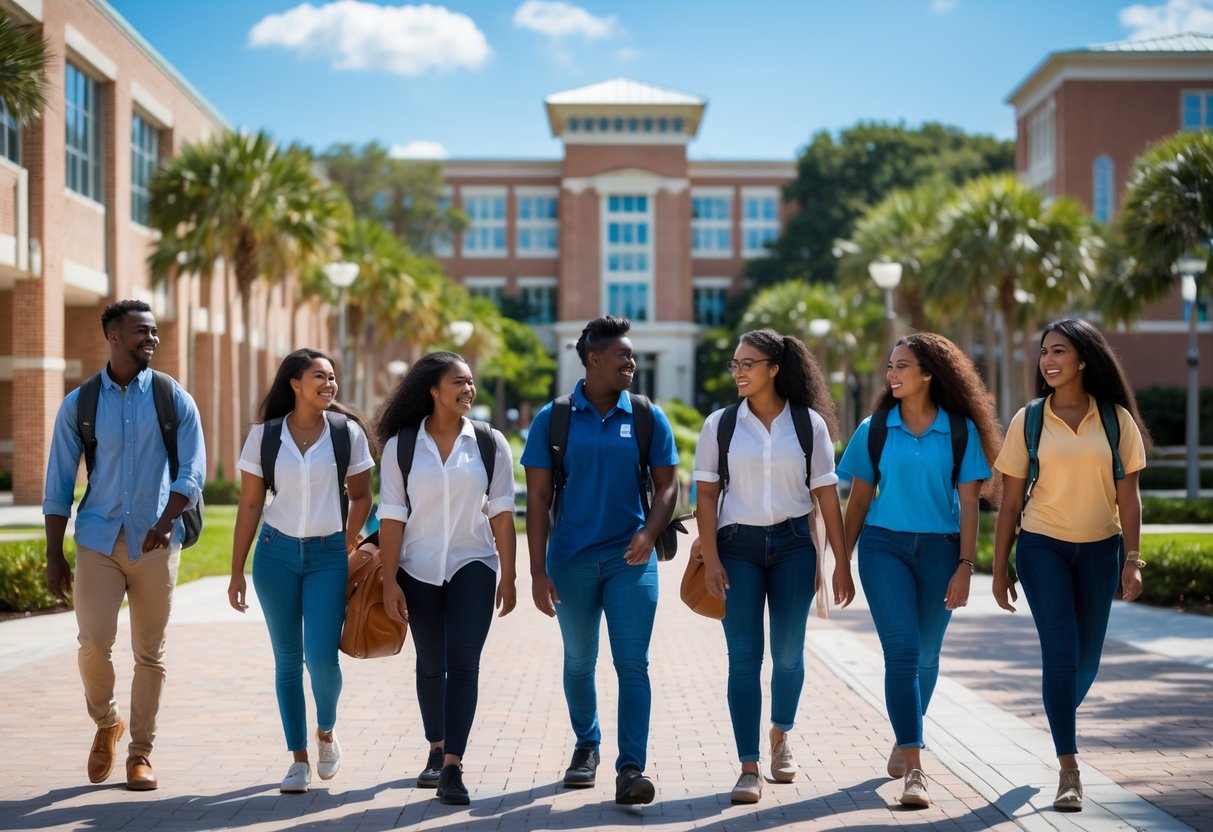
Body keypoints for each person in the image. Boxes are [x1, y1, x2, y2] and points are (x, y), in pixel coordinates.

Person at [43, 299, 206, 791]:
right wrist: (54, 553)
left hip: (158, 543)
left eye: (153, 331)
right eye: (140, 332)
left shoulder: (172, 397)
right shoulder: (80, 403)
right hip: (98, 540)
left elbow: (192, 470)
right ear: (113, 336)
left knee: (149, 654)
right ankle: (105, 722)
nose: (150, 339)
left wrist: (167, 519)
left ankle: (140, 752)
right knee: (93, 642)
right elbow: (58, 482)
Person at [992, 319, 1149, 813]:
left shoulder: (1116, 420)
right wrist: (998, 569)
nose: (1047, 360)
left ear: (1084, 359)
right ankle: (1069, 768)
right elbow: (1011, 502)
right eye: (1043, 352)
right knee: (1061, 653)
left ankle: (1058, 708)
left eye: (1058, 351)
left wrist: (1132, 558)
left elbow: (1131, 497)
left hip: (1101, 550)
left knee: (1086, 661)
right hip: (1043, 548)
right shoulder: (1029, 419)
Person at [837, 333, 1000, 808]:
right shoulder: (875, 427)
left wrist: (966, 566)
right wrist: (842, 562)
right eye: (890, 366)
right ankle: (916, 766)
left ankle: (905, 735)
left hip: (941, 551)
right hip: (883, 547)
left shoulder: (960, 430)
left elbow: (970, 505)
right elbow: (860, 498)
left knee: (927, 655)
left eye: (901, 366)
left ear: (929, 373)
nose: (891, 374)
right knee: (904, 651)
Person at [522, 316, 679, 806]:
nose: (630, 362)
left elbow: (669, 484)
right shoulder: (555, 417)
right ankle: (586, 746)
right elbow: (538, 497)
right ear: (593, 360)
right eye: (622, 356)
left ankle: (631, 767)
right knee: (579, 662)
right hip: (569, 560)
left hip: (630, 559)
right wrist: (536, 570)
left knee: (633, 663)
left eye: (632, 356)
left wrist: (649, 533)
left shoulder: (648, 415)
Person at [692, 328, 853, 804]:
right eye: (735, 364)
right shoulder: (719, 425)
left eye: (748, 363)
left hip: (793, 547)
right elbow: (703, 494)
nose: (738, 372)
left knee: (788, 654)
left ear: (774, 369)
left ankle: (780, 735)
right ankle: (748, 766)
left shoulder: (808, 425)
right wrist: (712, 557)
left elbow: (826, 495)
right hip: (736, 547)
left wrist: (841, 562)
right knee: (744, 659)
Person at [227, 348, 375, 793]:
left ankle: (326, 732)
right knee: (288, 661)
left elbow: (363, 495)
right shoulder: (265, 437)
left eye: (332, 378)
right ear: (294, 383)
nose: (329, 384)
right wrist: (237, 570)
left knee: (323, 661)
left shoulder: (346, 433)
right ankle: (297, 759)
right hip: (275, 555)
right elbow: (251, 503)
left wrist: (347, 538)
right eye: (319, 376)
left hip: (328, 556)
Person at [377, 352, 517, 806]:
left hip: (473, 562)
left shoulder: (490, 443)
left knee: (464, 663)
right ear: (433, 390)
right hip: (416, 566)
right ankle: (435, 747)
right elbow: (393, 517)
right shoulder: (401, 446)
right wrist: (388, 580)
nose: (469, 390)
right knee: (430, 661)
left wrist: (511, 574)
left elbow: (501, 512)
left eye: (472, 382)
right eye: (459, 382)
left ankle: (453, 766)